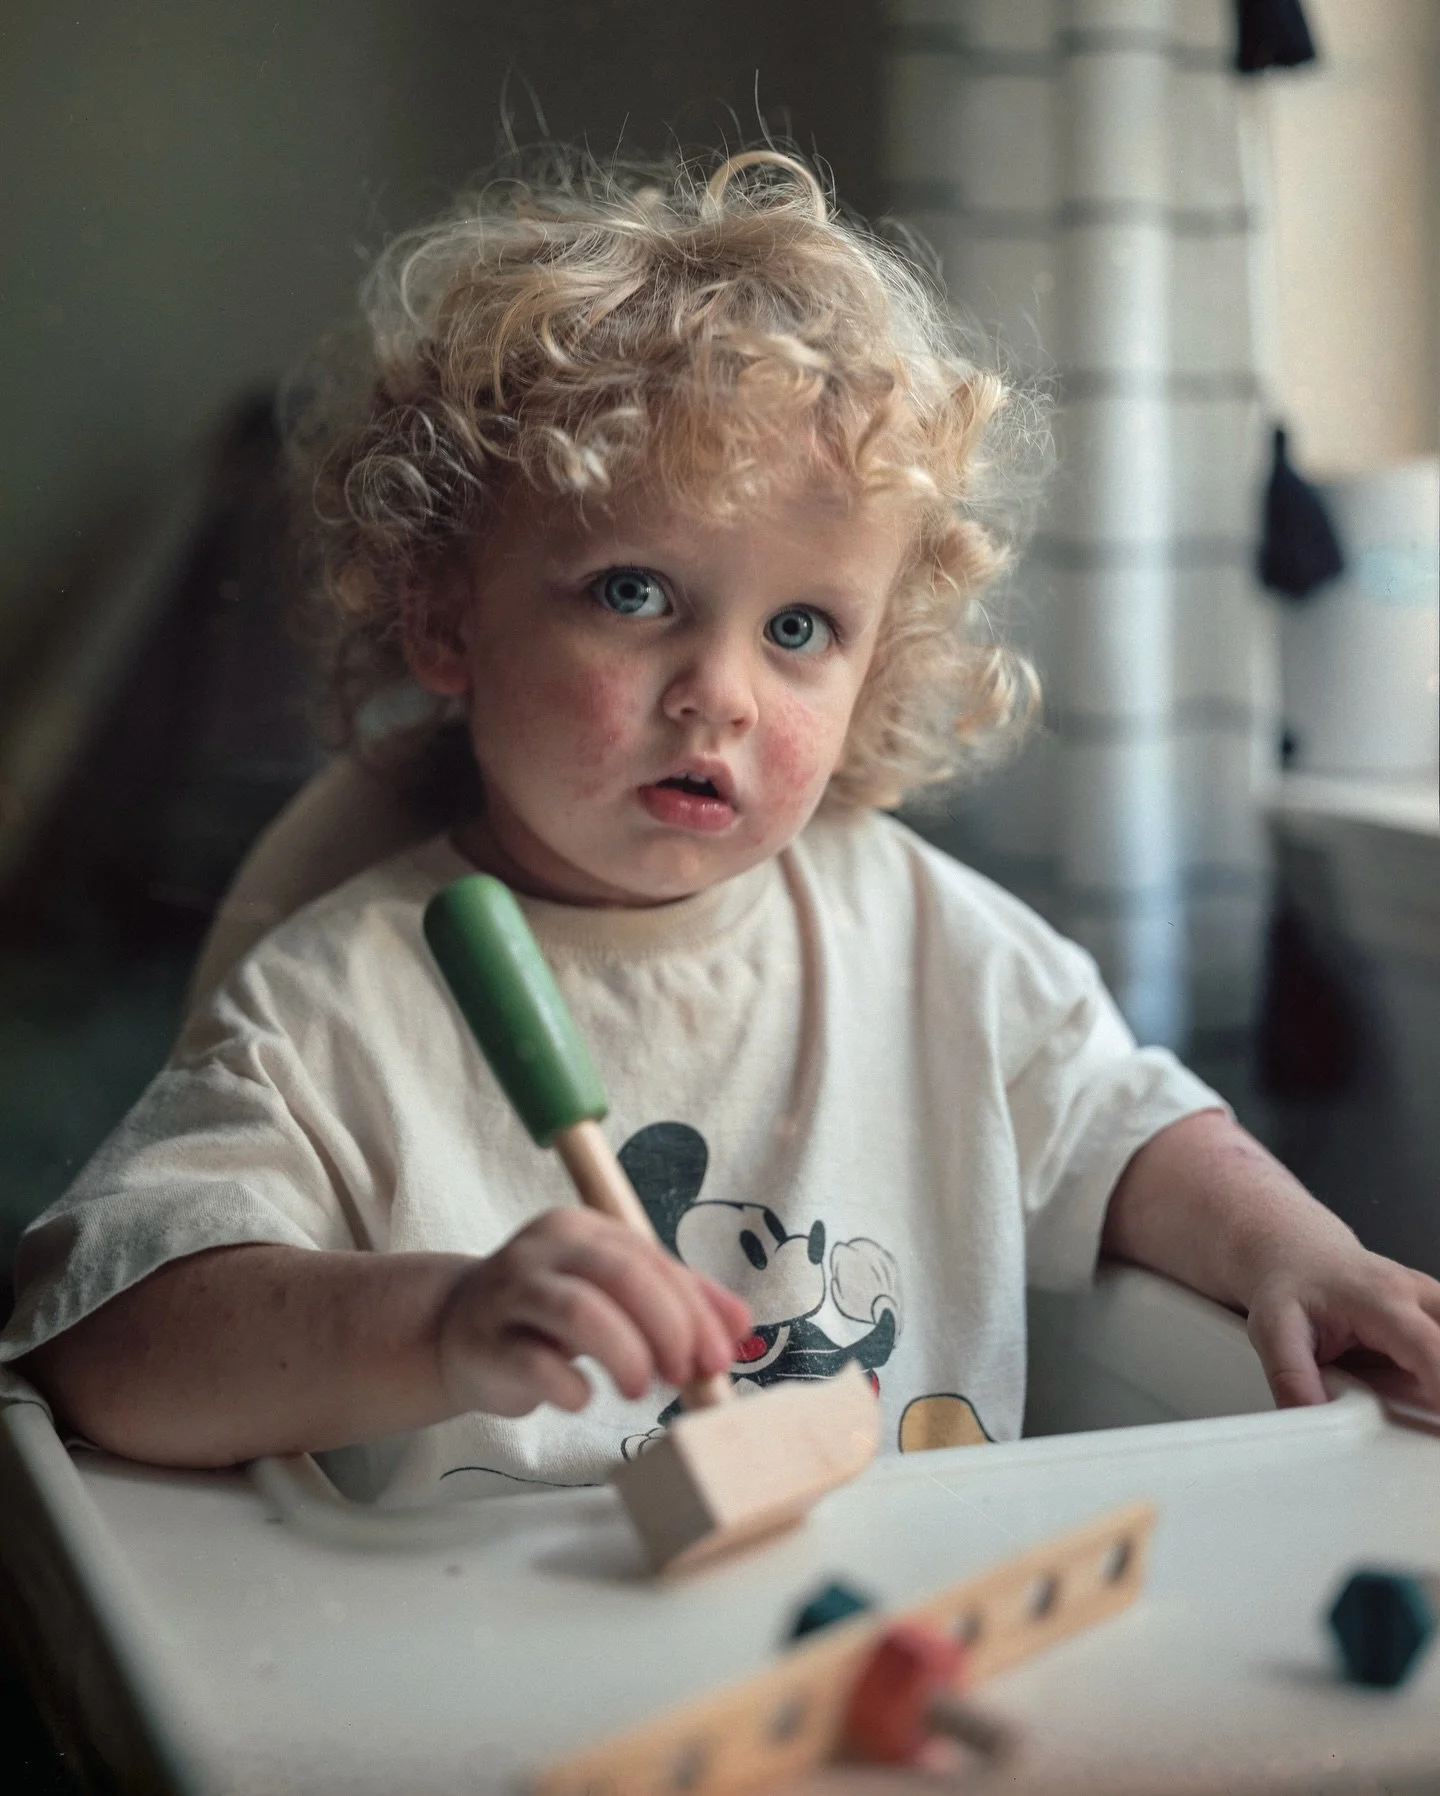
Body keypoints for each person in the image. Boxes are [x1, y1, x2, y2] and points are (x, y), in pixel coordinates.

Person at [5, 151, 1437, 1503]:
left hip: (898, 1629)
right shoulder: (339, 1003)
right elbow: (110, 1345)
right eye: (634, 593)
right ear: (448, 620)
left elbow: (1128, 1130)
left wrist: (1297, 1252)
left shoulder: (920, 934)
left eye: (800, 627)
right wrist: (440, 1324)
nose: (721, 693)